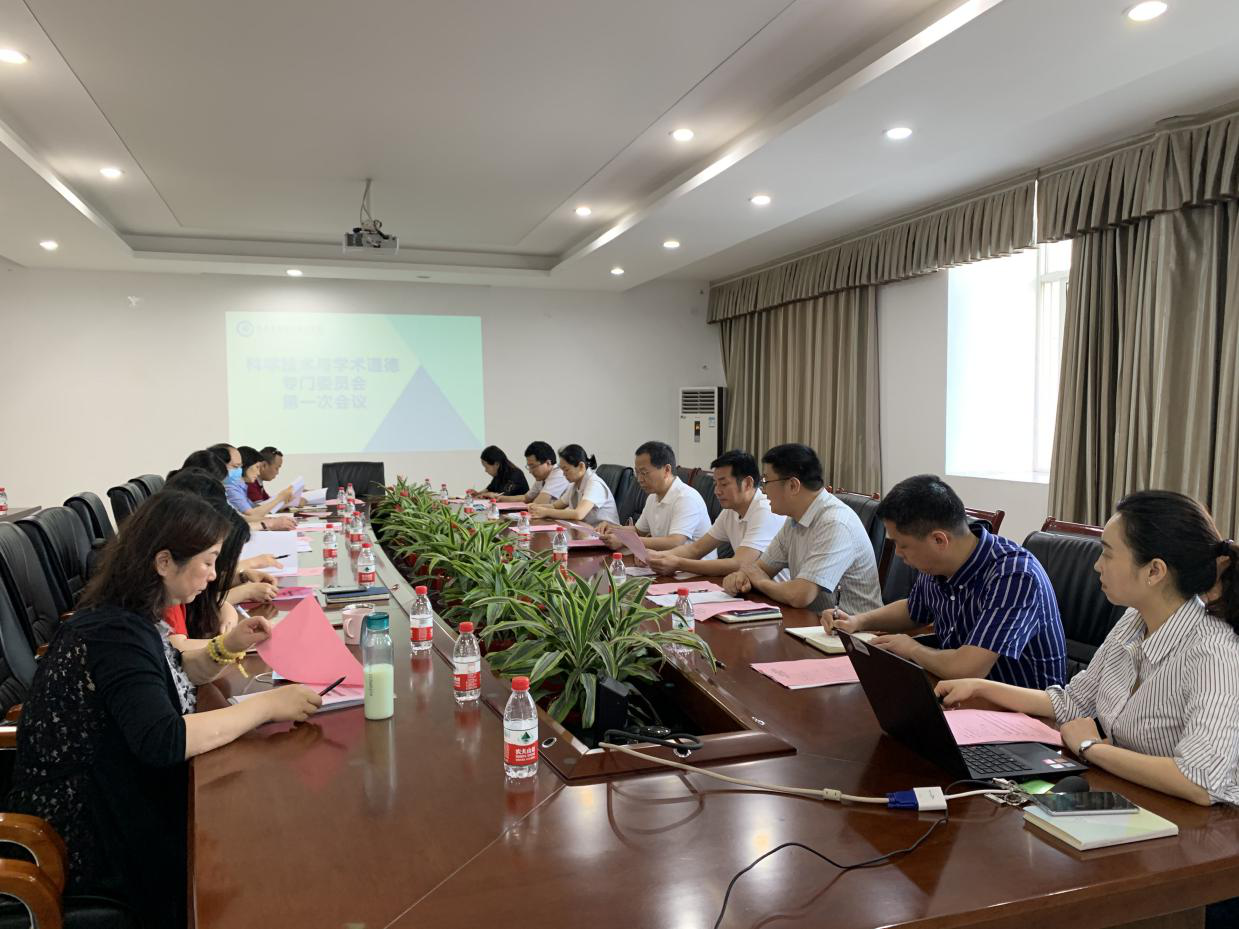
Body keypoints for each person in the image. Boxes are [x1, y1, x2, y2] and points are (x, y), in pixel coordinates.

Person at [6, 491, 321, 929]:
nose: (214, 575)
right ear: (164, 562)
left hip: (114, 797)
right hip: (85, 835)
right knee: (258, 844)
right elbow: (163, 739)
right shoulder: (113, 634)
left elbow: (172, 672)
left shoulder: (130, 616)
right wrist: (267, 706)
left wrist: (228, 645)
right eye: (208, 561)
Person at [935, 490, 1239, 812]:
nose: (1097, 565)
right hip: (1133, 798)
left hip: (1202, 824)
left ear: (1154, 571)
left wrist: (1090, 747)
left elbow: (1199, 782)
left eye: (1107, 554)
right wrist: (980, 688)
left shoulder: (1214, 654)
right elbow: (1072, 703)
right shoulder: (1134, 620)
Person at [827, 474, 1064, 687]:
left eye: (902, 544)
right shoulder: (937, 563)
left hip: (1021, 711)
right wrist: (858, 621)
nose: (897, 553)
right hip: (958, 694)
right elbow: (913, 610)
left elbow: (967, 669)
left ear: (939, 540)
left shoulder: (1014, 576)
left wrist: (912, 649)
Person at [723, 443, 882, 615]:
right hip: (812, 622)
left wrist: (761, 582)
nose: (763, 489)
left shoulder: (835, 523)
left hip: (852, 629)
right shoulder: (794, 519)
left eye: (766, 481)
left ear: (793, 485)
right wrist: (740, 578)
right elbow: (759, 569)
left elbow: (800, 595)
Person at [645, 450, 786, 577]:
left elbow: (739, 563)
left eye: (723, 484)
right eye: (715, 484)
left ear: (747, 483)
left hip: (774, 593)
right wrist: (657, 557)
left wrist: (678, 563)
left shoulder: (765, 510)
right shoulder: (730, 511)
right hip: (749, 586)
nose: (716, 491)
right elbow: (696, 549)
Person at [600, 441, 710, 554]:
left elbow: (675, 542)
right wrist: (613, 529)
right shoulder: (652, 497)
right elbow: (638, 531)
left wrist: (626, 540)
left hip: (694, 564)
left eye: (644, 473)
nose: (639, 479)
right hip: (664, 560)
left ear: (666, 470)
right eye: (637, 473)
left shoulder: (686, 498)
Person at [528, 444, 619, 526]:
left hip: (606, 534)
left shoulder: (594, 484)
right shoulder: (575, 484)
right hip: (586, 531)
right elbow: (555, 506)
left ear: (581, 466)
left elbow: (578, 514)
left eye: (566, 470)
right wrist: (537, 507)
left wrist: (546, 512)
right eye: (562, 470)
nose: (564, 474)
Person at [224, 446, 296, 523]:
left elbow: (254, 510)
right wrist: (280, 498)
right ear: (246, 465)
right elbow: (252, 515)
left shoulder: (242, 486)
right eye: (257, 467)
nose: (258, 473)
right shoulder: (231, 488)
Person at [494, 441, 571, 505]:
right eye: (529, 466)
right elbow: (526, 498)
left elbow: (538, 504)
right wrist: (501, 498)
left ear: (548, 463)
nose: (530, 471)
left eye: (533, 466)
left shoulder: (559, 474)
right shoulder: (542, 477)